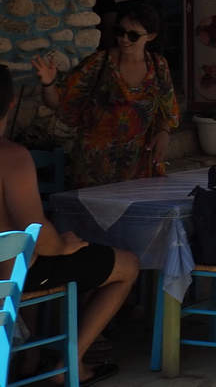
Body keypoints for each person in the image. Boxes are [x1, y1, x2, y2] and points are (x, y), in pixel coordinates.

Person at [0, 65, 140, 386]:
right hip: (9, 277)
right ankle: (69, 364)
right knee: (128, 266)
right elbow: (36, 230)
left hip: (14, 270)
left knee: (33, 262)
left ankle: (30, 358)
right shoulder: (12, 157)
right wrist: (64, 245)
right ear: (11, 103)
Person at [31, 2, 178, 189]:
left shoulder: (159, 66)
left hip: (140, 165)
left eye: (133, 35)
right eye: (120, 32)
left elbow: (167, 108)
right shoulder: (98, 64)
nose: (124, 39)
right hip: (94, 167)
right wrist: (48, 83)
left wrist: (164, 132)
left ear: (151, 36)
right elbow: (58, 102)